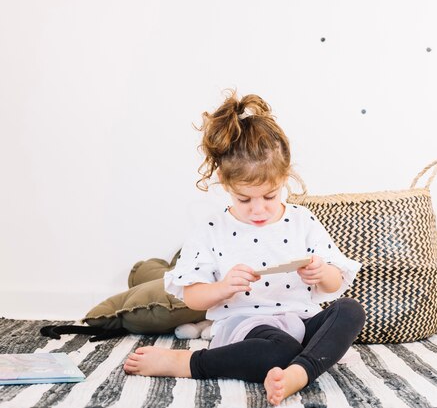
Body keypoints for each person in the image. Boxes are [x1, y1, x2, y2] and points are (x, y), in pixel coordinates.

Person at [123, 90, 366, 406]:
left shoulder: (302, 220)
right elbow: (193, 295)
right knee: (275, 352)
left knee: (350, 311)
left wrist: (322, 272)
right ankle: (188, 364)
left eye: (269, 196)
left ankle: (297, 372)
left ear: (284, 179)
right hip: (249, 329)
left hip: (302, 323)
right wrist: (223, 288)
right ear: (225, 183)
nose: (259, 210)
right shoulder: (213, 230)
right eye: (244, 199)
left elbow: (334, 284)